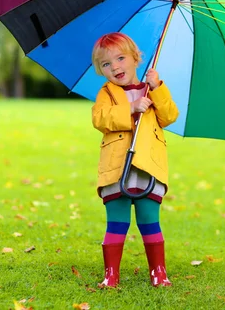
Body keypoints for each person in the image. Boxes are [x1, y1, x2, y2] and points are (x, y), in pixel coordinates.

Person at [91, 32, 179, 288]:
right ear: (101, 70)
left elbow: (169, 116)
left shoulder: (152, 89)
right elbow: (99, 118)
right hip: (118, 167)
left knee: (149, 220)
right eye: (106, 64)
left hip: (146, 168)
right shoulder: (106, 93)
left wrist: (157, 87)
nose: (115, 67)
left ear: (135, 58)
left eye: (120, 58)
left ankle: (158, 272)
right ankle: (111, 275)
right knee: (117, 222)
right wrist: (129, 108)